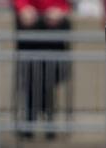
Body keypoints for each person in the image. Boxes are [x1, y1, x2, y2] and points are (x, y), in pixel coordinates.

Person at [13, 0, 72, 133]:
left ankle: (48, 120)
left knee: (49, 78)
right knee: (30, 77)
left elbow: (66, 5)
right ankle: (30, 120)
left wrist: (60, 10)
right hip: (29, 28)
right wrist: (23, 8)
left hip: (53, 31)